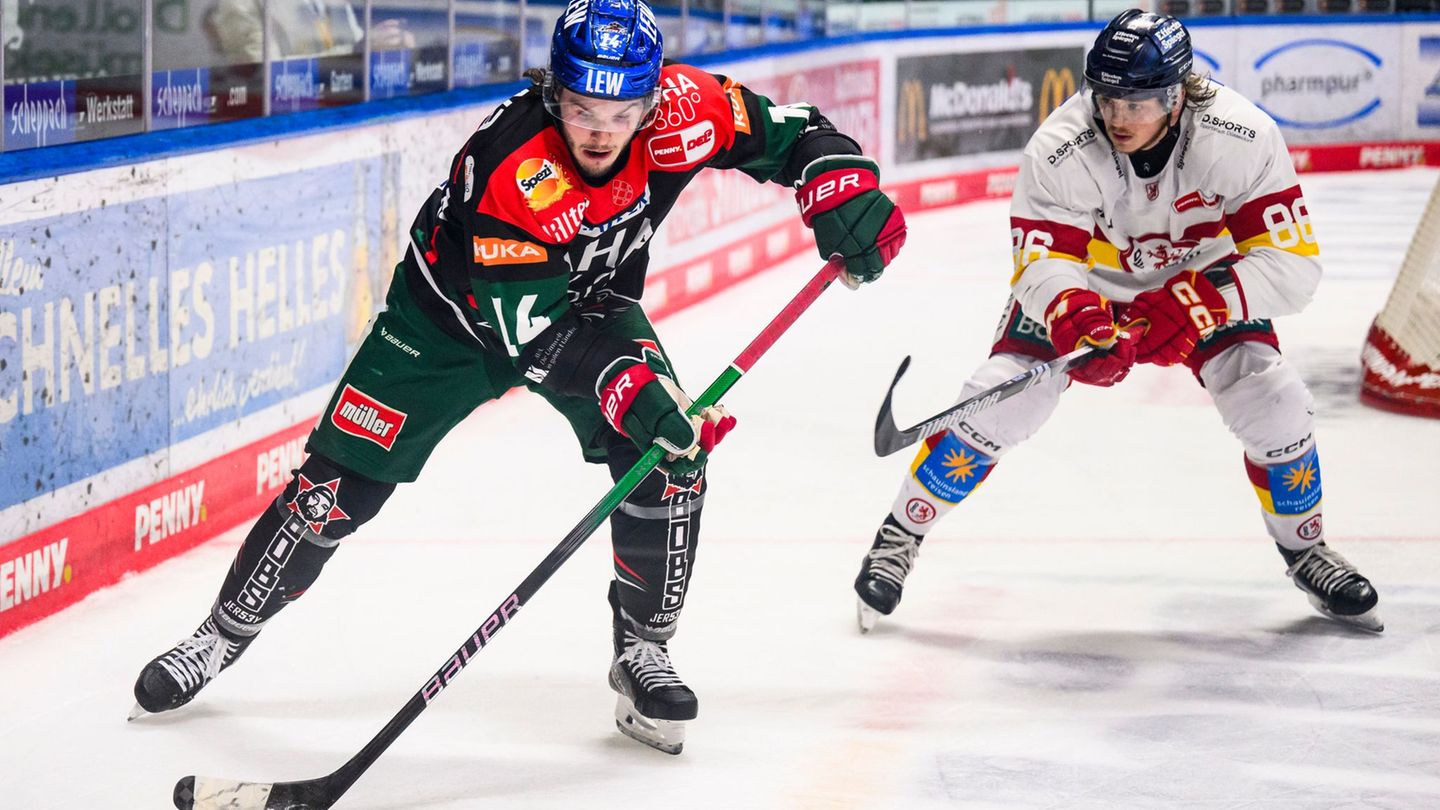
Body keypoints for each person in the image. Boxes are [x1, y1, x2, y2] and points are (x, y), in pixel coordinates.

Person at [131, 0, 906, 756]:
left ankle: (643, 650)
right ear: (553, 92)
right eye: (582, 109)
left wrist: (836, 178)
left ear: (652, 99)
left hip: (590, 308)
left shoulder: (685, 108)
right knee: (335, 490)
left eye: (621, 112)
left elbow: (787, 132)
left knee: (670, 458)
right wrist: (627, 387)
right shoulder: (514, 164)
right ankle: (220, 635)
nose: (600, 131)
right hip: (442, 325)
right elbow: (531, 336)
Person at [852, 9, 1381, 635]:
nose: (1118, 117)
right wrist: (1071, 313)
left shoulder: (1241, 136)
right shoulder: (1060, 145)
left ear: (1178, 95)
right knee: (1003, 397)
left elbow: (1293, 267)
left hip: (1201, 283)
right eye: (1106, 99)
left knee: (1274, 399)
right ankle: (900, 535)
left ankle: (1307, 549)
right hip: (1090, 289)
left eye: (1137, 103)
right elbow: (1042, 261)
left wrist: (1200, 303)